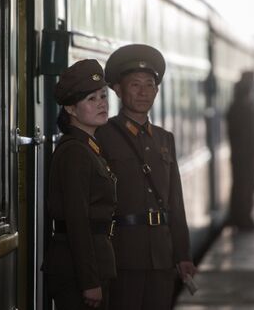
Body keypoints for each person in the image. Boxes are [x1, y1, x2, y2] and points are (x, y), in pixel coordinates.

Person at [95, 44, 196, 310]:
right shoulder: (102, 136)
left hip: (162, 256)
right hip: (122, 255)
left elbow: (176, 201)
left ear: (157, 90)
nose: (143, 92)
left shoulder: (165, 139)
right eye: (135, 85)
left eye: (149, 85)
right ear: (118, 90)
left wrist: (183, 254)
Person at [43, 59, 117, 310]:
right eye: (91, 99)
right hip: (78, 273)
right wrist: (89, 281)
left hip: (90, 265)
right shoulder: (75, 152)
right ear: (71, 110)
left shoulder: (88, 148)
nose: (102, 104)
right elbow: (77, 220)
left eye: (103, 96)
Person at [226, 71, 254, 229]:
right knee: (245, 187)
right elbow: (248, 136)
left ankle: (238, 217)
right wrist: (253, 155)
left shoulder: (235, 107)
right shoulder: (245, 108)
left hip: (238, 155)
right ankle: (244, 219)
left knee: (239, 186)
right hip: (245, 156)